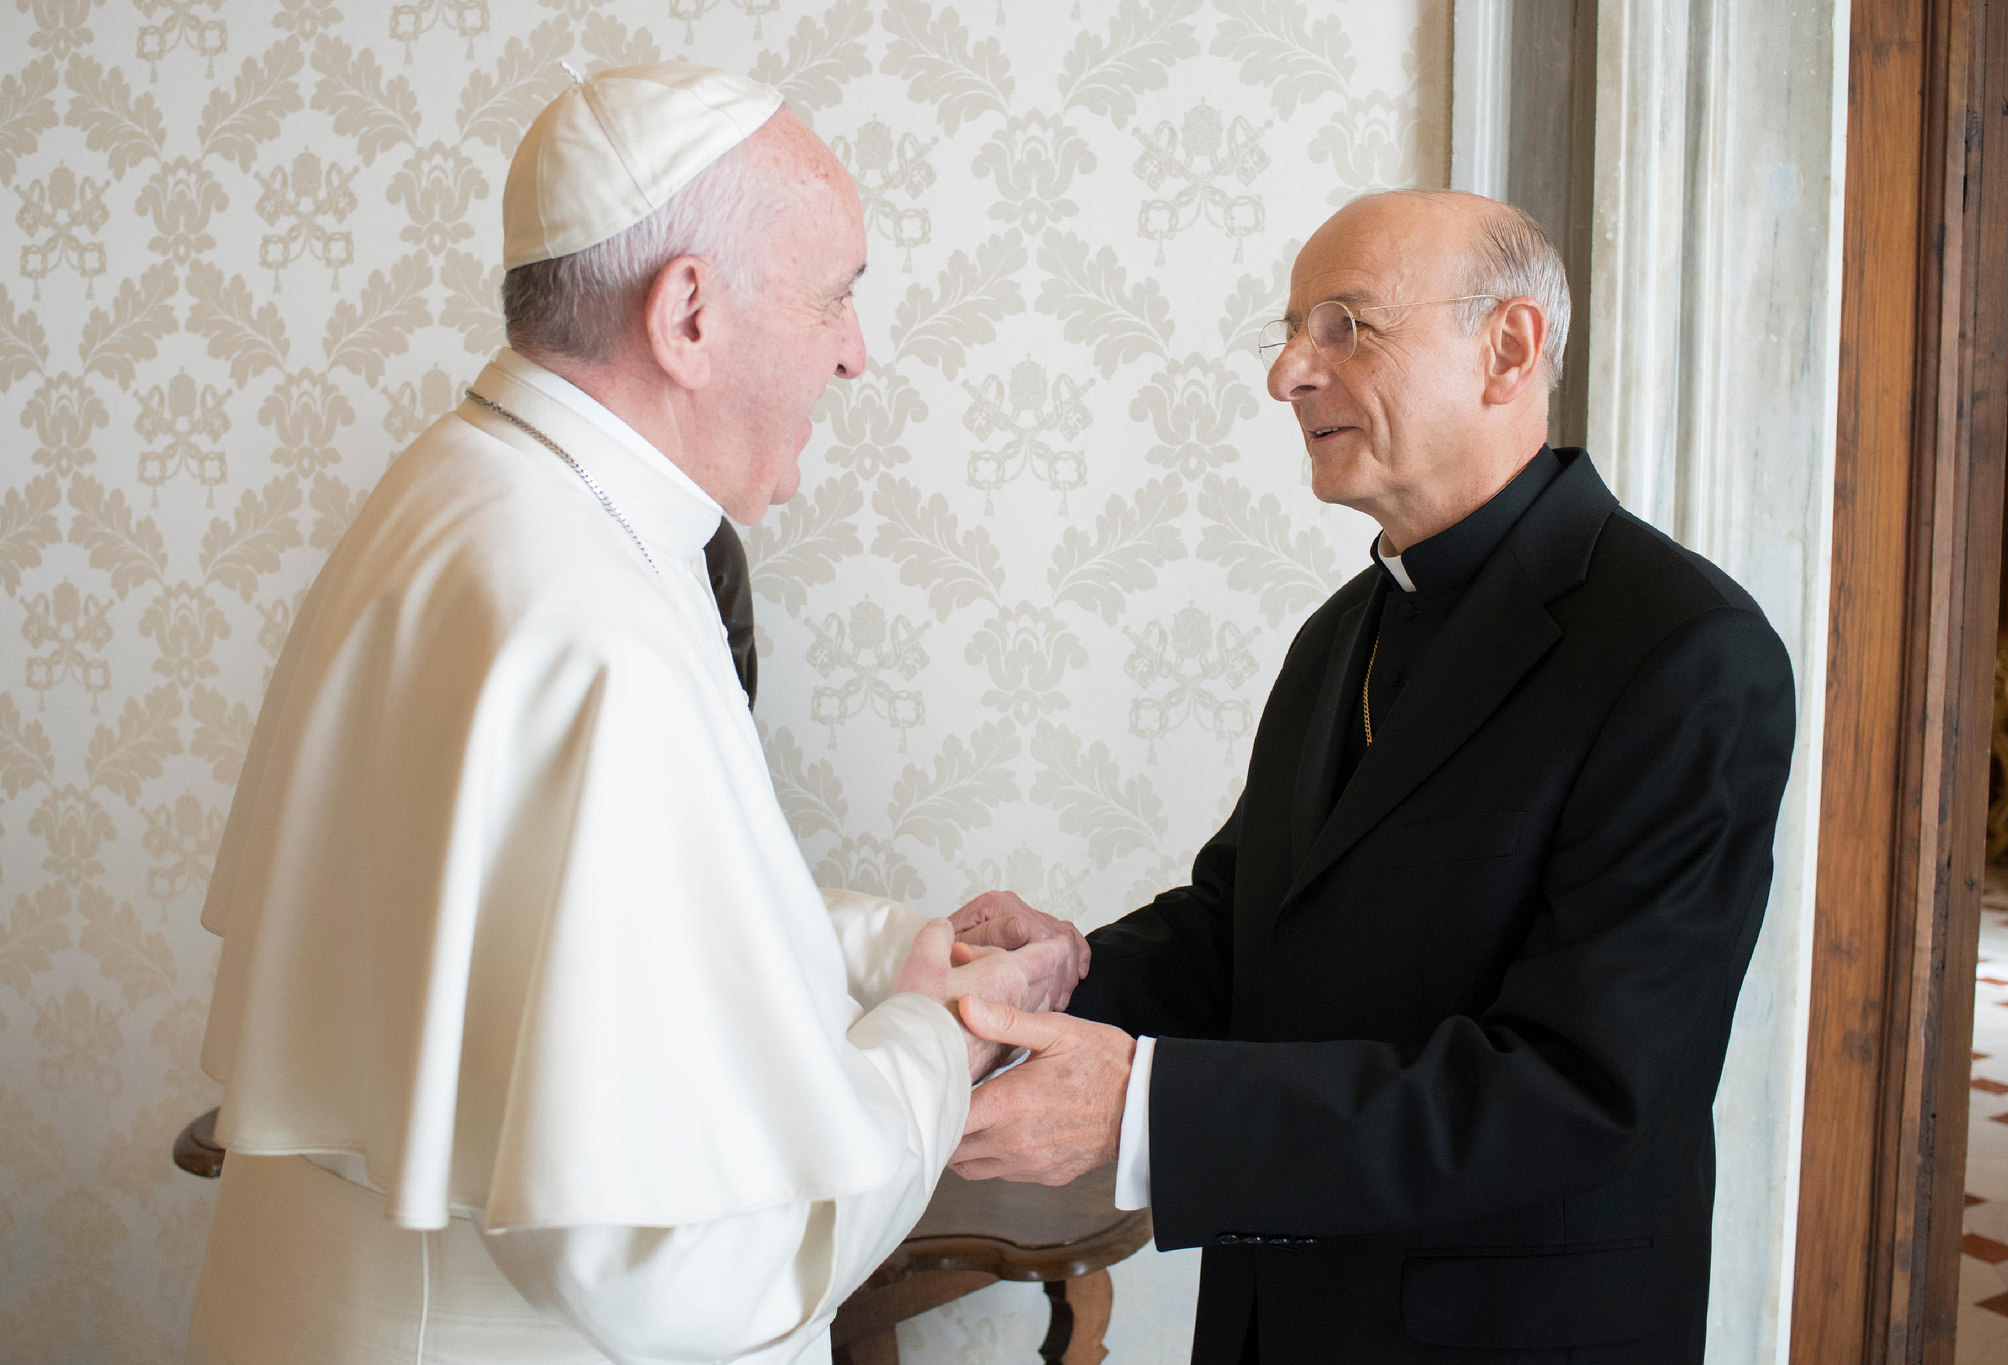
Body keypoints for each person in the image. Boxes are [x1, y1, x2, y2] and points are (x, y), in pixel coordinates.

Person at [183, 63, 1083, 1365]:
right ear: (690, 315)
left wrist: (893, 947)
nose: (855, 349)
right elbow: (691, 1267)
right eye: (836, 293)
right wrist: (938, 1041)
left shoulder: (472, 492)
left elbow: (564, 914)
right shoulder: (589, 618)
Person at [947, 190, 1799, 1363]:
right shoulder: (1342, 627)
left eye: (1346, 324)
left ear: (1507, 349)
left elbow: (1580, 1088)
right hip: (1275, 1316)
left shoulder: (1683, 652)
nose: (1287, 373)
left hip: (1503, 1333)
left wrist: (1147, 1108)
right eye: (1293, 329)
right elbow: (1241, 932)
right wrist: (1054, 985)